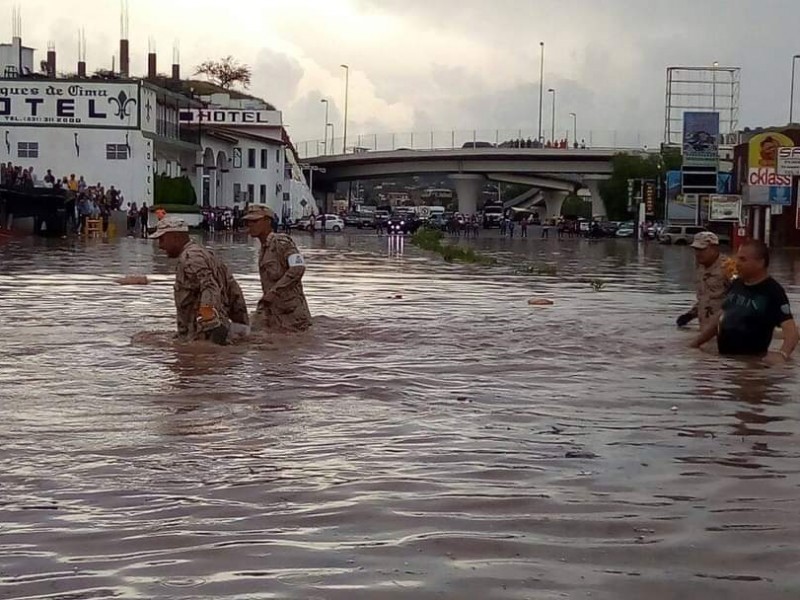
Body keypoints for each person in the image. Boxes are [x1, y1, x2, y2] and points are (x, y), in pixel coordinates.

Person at [690, 240, 799, 364]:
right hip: (725, 362)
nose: (737, 263)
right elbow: (721, 316)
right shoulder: (737, 284)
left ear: (760, 262)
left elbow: (792, 333)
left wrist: (782, 354)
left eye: (743, 259)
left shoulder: (773, 292)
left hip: (751, 363)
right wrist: (696, 343)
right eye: (737, 258)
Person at [150, 218, 249, 345]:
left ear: (175, 237)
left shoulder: (191, 258)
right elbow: (234, 290)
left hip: (204, 335)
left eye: (162, 239)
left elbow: (210, 287)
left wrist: (209, 321)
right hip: (208, 332)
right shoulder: (205, 253)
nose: (160, 245)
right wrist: (242, 325)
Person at [243, 205, 312, 332]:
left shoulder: (282, 242)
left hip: (292, 317)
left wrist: (274, 292)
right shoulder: (263, 249)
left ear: (267, 221)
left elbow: (298, 268)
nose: (250, 225)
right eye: (248, 222)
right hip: (273, 315)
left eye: (255, 221)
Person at [677, 232, 731, 328]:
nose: (697, 253)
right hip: (705, 328)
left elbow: (741, 298)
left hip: (724, 329)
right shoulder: (700, 267)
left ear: (714, 248)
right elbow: (706, 298)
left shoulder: (729, 267)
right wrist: (690, 315)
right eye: (696, 249)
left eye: (702, 249)